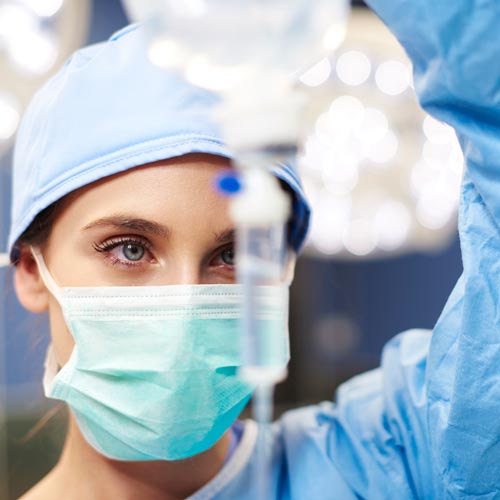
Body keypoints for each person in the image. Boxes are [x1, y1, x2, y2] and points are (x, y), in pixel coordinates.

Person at [8, 0, 500, 498]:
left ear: (280, 266)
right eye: (130, 250)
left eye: (233, 256)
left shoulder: (395, 458)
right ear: (30, 270)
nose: (185, 308)